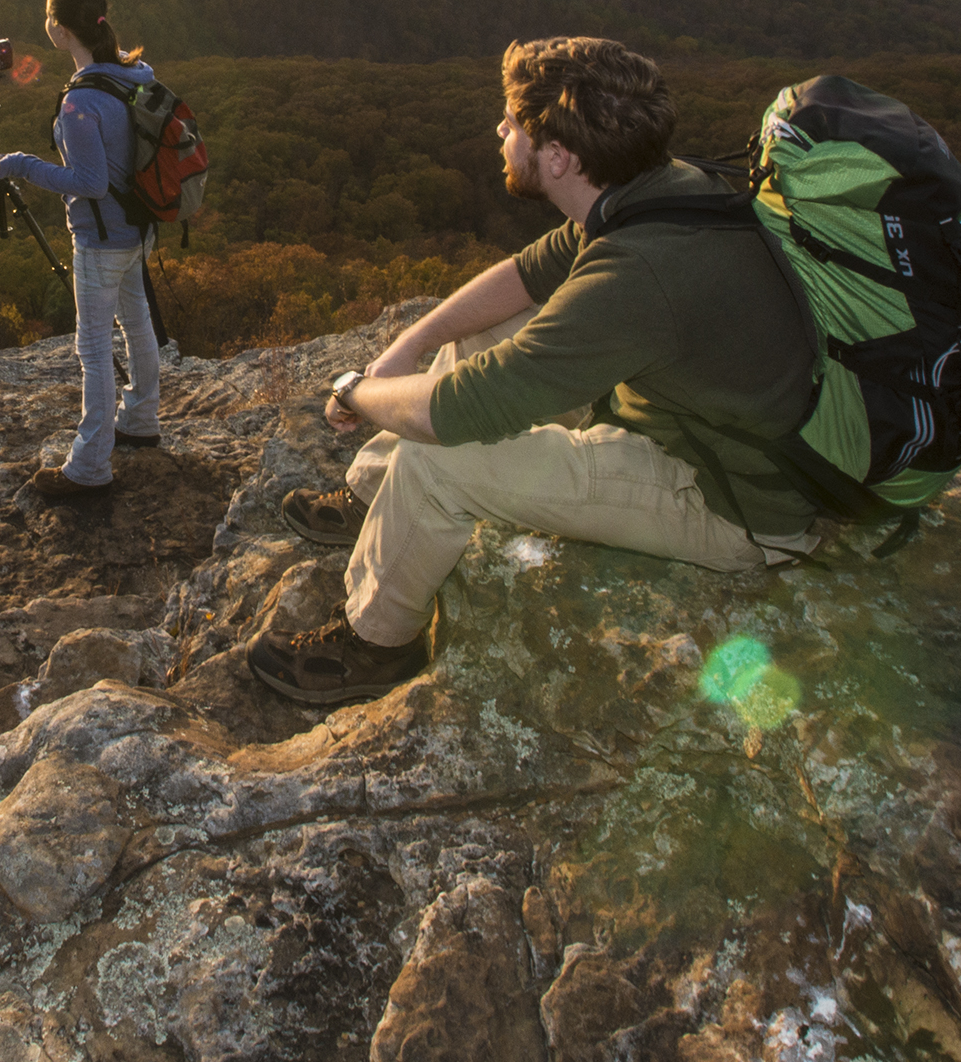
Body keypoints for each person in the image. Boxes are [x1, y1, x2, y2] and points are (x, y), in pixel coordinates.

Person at [246, 35, 827, 707]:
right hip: (697, 420)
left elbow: (451, 414)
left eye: (512, 123)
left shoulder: (639, 274)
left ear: (558, 157)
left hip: (725, 501)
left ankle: (377, 641)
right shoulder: (653, 189)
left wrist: (358, 390)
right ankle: (375, 493)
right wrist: (412, 342)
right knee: (481, 333)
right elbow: (524, 276)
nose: (499, 129)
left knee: (442, 459)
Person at [0, 0, 163, 505]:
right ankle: (141, 417)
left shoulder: (80, 101)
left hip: (100, 239)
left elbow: (89, 182)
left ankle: (89, 466)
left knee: (92, 350)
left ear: (60, 30)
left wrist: (19, 165)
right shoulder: (135, 74)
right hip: (139, 229)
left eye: (47, 17)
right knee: (138, 324)